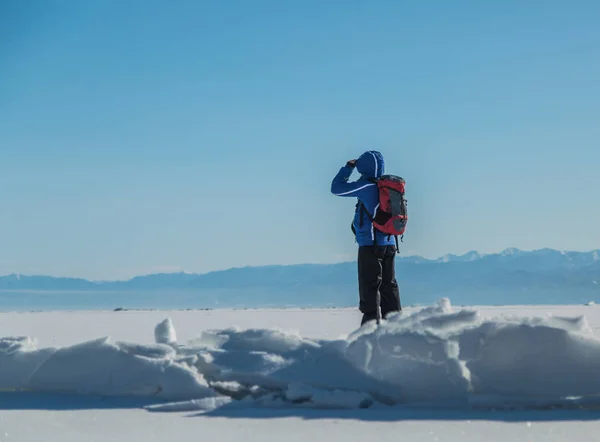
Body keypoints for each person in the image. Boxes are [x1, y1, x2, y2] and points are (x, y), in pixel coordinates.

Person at [330, 150, 401, 325]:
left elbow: (336, 189)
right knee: (388, 286)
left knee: (369, 286)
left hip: (370, 244)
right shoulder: (388, 188)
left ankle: (369, 328)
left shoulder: (367, 187)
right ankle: (395, 326)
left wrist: (348, 168)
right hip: (390, 243)